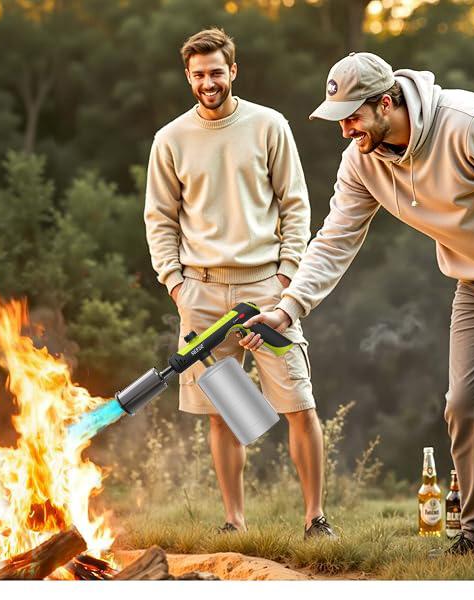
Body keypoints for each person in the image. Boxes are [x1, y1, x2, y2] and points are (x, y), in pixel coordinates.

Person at [243, 52, 474, 571]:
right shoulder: (363, 157)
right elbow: (335, 239)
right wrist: (287, 309)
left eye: (352, 116)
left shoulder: (468, 126)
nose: (346, 130)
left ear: (386, 103)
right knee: (463, 402)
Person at [144, 28, 335, 539]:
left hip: (266, 291)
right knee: (225, 414)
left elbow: (295, 204)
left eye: (217, 72)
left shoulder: (268, 125)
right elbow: (159, 219)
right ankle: (234, 522)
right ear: (188, 77)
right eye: (199, 74)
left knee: (298, 403)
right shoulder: (171, 139)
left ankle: (315, 518)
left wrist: (287, 276)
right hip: (201, 294)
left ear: (234, 70)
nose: (209, 82)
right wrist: (178, 286)